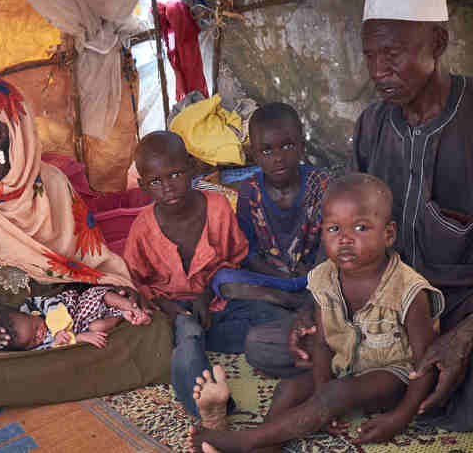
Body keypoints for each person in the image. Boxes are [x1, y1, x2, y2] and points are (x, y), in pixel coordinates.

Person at [248, 0, 473, 434]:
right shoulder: (371, 124)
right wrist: (317, 305)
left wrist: (469, 330)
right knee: (267, 343)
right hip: (379, 311)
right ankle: (400, 380)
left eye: (392, 54)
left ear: (438, 41)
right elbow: (349, 232)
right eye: (369, 56)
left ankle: (392, 381)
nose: (379, 71)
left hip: (470, 308)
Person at [0, 77, 172, 408]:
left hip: (69, 322)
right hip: (1, 337)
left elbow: (90, 263)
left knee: (152, 329)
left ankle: (18, 387)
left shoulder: (51, 184)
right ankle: (78, 374)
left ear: (1, 132)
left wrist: (117, 292)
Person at [189, 174, 445, 452]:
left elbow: (426, 364)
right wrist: (322, 392)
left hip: (393, 378)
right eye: (334, 229)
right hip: (346, 369)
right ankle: (266, 448)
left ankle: (242, 441)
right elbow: (323, 342)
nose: (345, 239)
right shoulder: (324, 277)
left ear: (389, 234)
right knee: (290, 389)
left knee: (337, 392)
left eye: (360, 227)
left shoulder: (409, 290)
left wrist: (401, 417)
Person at [123, 131, 289, 429]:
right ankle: (211, 410)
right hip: (173, 309)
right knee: (188, 336)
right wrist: (171, 308)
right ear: (143, 186)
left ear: (191, 167)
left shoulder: (217, 206)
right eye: (156, 182)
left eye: (175, 174)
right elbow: (136, 282)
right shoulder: (142, 229)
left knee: (269, 315)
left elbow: (233, 256)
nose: (168, 187)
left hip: (215, 300)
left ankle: (203, 344)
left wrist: (205, 296)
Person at [212, 103, 329, 311]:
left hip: (314, 275)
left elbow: (332, 237)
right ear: (254, 155)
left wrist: (313, 270)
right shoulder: (250, 190)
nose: (278, 158)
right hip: (272, 277)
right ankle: (289, 300)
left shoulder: (320, 183)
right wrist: (277, 274)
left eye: (287, 146)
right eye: (266, 150)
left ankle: (294, 297)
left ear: (302, 146)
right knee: (223, 279)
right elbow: (247, 249)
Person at [0, 288, 150, 350]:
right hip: (82, 325)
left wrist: (56, 329)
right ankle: (121, 316)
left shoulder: (32, 307)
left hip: (79, 305)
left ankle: (134, 309)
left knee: (105, 296)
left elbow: (52, 304)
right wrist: (78, 337)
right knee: (98, 328)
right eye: (34, 340)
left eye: (36, 328)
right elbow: (52, 346)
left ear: (30, 316)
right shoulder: (44, 344)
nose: (40, 335)